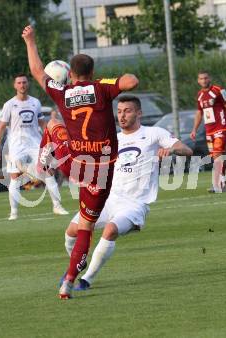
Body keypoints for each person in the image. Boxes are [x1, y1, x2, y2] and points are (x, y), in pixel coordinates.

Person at [22, 25, 139, 299]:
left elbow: (38, 71)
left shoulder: (62, 93)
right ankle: (69, 281)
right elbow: (131, 81)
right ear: (92, 72)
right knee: (86, 226)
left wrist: (30, 41)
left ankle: (46, 161)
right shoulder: (101, 88)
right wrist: (109, 82)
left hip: (74, 164)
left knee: (52, 125)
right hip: (100, 173)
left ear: (70, 74)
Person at [62, 95, 193, 291]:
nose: (122, 116)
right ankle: (80, 263)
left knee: (110, 230)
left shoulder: (154, 133)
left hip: (134, 203)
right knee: (72, 231)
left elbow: (186, 149)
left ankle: (86, 280)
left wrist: (172, 150)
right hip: (107, 199)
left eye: (128, 111)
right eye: (120, 111)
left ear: (139, 113)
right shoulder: (112, 138)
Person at [0, 73, 69, 220]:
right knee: (15, 177)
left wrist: (54, 135)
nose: (22, 85)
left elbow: (41, 123)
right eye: (19, 83)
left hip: (35, 144)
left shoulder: (35, 102)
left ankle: (57, 207)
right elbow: (1, 127)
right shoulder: (9, 105)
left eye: (24, 82)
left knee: (48, 172)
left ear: (28, 84)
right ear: (15, 86)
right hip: (16, 146)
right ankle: (13, 212)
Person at [190, 70, 226, 193]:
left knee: (217, 154)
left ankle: (219, 185)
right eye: (201, 79)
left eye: (205, 78)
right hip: (209, 130)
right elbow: (199, 112)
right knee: (216, 157)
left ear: (209, 78)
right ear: (198, 81)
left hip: (222, 127)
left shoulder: (219, 90)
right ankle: (221, 183)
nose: (204, 80)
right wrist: (194, 129)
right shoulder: (199, 94)